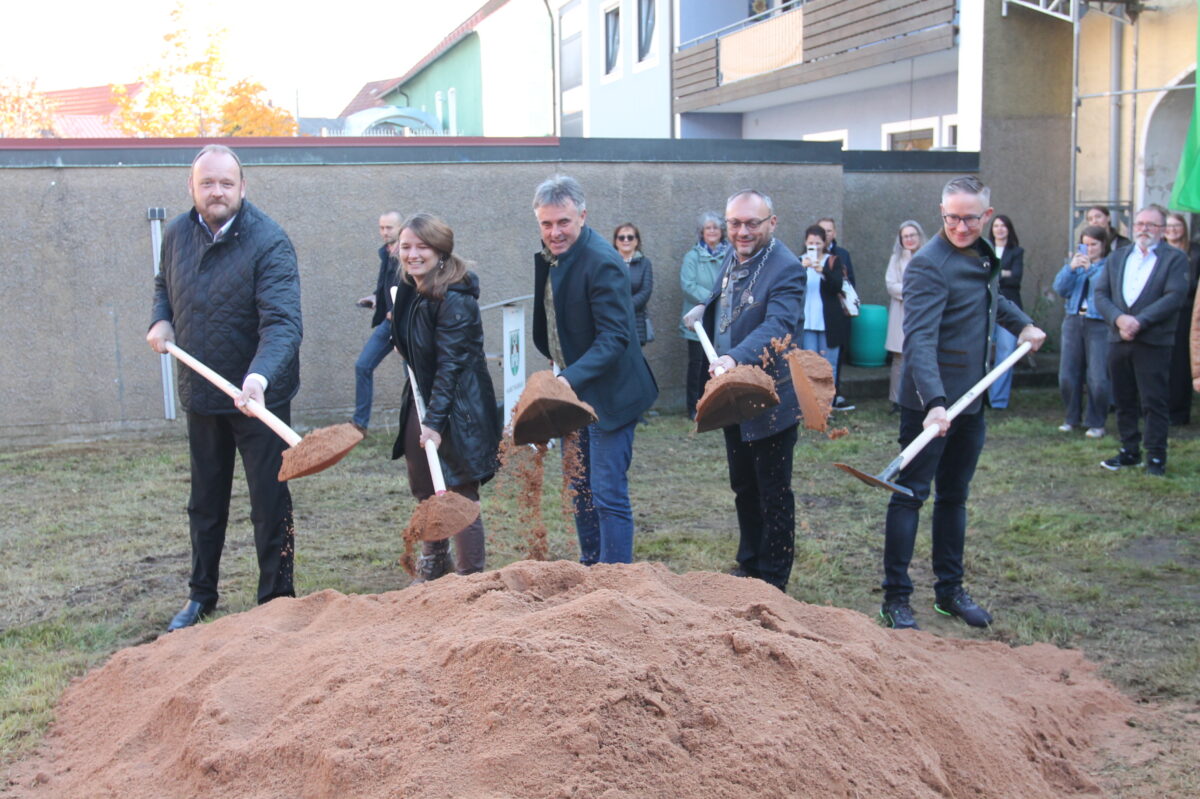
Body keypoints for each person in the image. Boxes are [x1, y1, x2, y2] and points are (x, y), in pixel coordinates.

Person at [147, 144, 302, 632]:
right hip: (203, 392)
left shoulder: (269, 241)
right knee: (205, 501)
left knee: (269, 503)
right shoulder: (177, 233)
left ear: (242, 187)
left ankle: (276, 599)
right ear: (191, 187)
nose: (217, 192)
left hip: (259, 397)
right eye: (207, 183)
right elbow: (163, 284)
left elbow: (283, 324)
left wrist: (259, 377)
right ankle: (201, 595)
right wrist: (160, 319)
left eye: (226, 183)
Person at [879, 175, 1045, 631]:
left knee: (954, 496)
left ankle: (949, 591)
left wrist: (1023, 324)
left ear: (986, 215)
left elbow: (990, 300)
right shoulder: (928, 265)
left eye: (970, 218)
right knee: (910, 495)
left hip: (971, 398)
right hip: (929, 403)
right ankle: (896, 598)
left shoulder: (982, 251)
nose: (960, 227)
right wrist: (934, 402)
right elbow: (919, 341)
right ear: (942, 212)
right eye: (952, 217)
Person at [682, 189, 805, 592]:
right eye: (735, 223)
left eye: (753, 223)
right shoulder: (734, 255)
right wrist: (706, 307)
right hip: (733, 394)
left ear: (772, 222)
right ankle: (749, 564)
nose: (742, 231)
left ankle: (773, 579)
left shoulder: (786, 268)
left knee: (773, 491)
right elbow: (729, 297)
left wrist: (735, 357)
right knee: (744, 485)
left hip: (770, 397)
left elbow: (778, 325)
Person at [532, 175, 658, 565]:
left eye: (563, 222)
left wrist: (565, 380)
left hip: (611, 395)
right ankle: (591, 569)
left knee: (606, 492)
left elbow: (615, 337)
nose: (554, 232)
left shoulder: (602, 261)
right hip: (575, 391)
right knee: (579, 486)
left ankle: (615, 581)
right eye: (546, 223)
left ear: (583, 216)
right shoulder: (555, 255)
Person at [390, 213, 500, 582]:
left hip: (459, 407)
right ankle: (435, 565)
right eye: (406, 247)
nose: (413, 254)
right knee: (426, 486)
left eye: (422, 247)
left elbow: (450, 366)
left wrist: (435, 423)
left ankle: (470, 580)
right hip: (422, 400)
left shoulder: (455, 297)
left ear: (440, 251)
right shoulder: (410, 289)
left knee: (458, 492)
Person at [1093, 206, 1190, 476]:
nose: (1144, 229)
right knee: (1123, 399)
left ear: (1162, 229)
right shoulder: (1118, 256)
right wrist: (1119, 319)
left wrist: (1140, 322)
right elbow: (1101, 294)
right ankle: (1129, 451)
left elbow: (1175, 296)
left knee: (1153, 401)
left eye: (1151, 224)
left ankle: (1156, 456)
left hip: (1153, 341)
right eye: (1139, 224)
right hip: (1118, 338)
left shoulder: (1175, 259)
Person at [1052, 226, 1112, 438]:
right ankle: (1071, 418)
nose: (1089, 249)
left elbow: (1103, 289)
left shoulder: (1109, 266)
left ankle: (1096, 422)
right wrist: (1070, 268)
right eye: (1085, 244)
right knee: (1067, 374)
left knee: (1098, 376)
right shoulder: (1075, 265)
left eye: (1094, 244)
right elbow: (1060, 288)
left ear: (1103, 245)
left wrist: (1090, 269)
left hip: (1098, 323)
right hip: (1073, 319)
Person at [352, 211, 402, 431]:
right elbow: (387, 285)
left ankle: (421, 423)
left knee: (413, 377)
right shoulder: (386, 253)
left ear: (401, 228)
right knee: (363, 366)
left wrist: (399, 311)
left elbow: (416, 289)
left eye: (389, 228)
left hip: (406, 327)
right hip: (388, 325)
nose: (384, 232)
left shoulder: (408, 255)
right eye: (381, 227)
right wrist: (376, 297)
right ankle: (360, 424)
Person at [680, 212, 728, 420]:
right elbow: (688, 286)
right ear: (702, 232)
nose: (712, 231)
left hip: (723, 318)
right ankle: (694, 406)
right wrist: (713, 299)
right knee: (697, 365)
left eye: (716, 227)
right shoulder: (692, 257)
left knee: (720, 363)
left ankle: (715, 405)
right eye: (708, 228)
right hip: (698, 321)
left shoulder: (731, 254)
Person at [1163, 212, 1200, 425]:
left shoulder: (1195, 252)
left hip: (1185, 313)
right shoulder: (1157, 251)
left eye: (1177, 225)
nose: (1172, 229)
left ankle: (1178, 411)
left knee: (1180, 363)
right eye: (1168, 225)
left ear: (1184, 228)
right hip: (1159, 314)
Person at [884, 221, 926, 410]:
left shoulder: (928, 256)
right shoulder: (896, 259)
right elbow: (891, 285)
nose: (909, 239)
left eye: (912, 235)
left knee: (921, 357)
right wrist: (913, 290)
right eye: (905, 236)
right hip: (901, 313)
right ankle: (896, 400)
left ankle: (920, 398)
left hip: (923, 313)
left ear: (919, 236)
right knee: (899, 359)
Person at [799, 224, 849, 381]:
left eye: (818, 243)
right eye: (811, 243)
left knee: (828, 365)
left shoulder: (833, 261)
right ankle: (811, 396)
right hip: (807, 322)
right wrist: (801, 269)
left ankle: (828, 396)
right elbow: (791, 287)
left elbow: (837, 286)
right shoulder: (798, 261)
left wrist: (823, 271)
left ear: (824, 243)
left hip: (828, 322)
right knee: (809, 365)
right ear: (805, 243)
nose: (814, 246)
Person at [985, 214, 1025, 409]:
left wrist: (994, 273)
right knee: (981, 353)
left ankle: (998, 400)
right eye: (996, 226)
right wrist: (1004, 272)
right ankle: (981, 396)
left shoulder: (1016, 252)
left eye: (1003, 226)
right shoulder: (984, 250)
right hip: (985, 307)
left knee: (1006, 353)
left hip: (1009, 307)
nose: (999, 229)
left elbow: (1016, 278)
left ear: (1009, 229)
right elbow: (981, 276)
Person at [818, 217, 855, 410]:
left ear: (834, 233)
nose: (825, 234)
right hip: (815, 316)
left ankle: (834, 396)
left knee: (834, 358)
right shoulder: (806, 256)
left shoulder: (842, 255)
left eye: (829, 230)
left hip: (837, 313)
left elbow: (849, 283)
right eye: (822, 230)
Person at [613, 223, 654, 348]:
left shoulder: (645, 263)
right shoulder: (608, 261)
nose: (626, 240)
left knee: (635, 356)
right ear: (616, 242)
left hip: (636, 320)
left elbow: (646, 291)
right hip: (613, 318)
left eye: (630, 237)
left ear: (636, 241)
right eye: (621, 237)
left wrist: (626, 307)